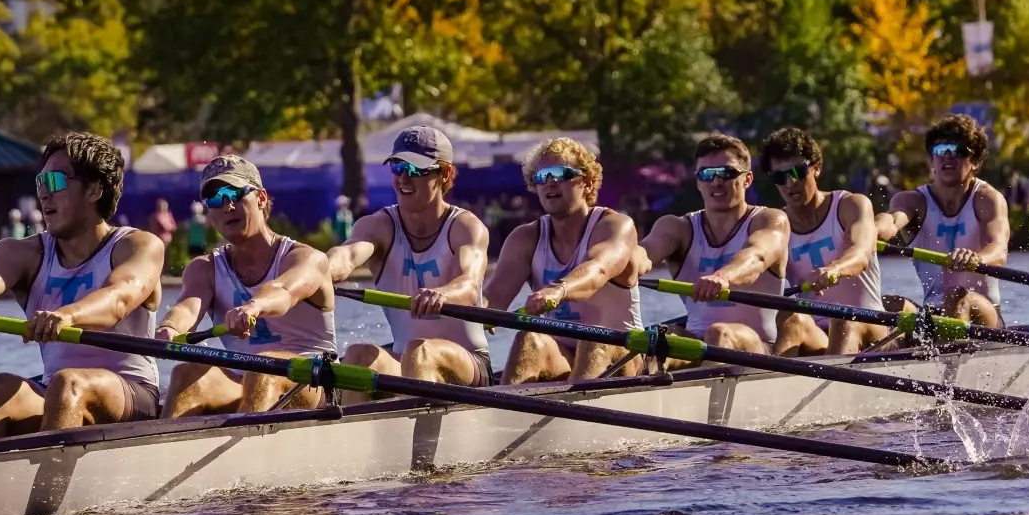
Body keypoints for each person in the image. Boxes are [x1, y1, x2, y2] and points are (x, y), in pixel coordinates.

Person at [0, 131, 166, 439]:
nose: (43, 195)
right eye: (40, 184)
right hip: (57, 390)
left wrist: (68, 315)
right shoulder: (21, 253)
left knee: (70, 382)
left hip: (131, 393)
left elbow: (118, 300)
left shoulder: (138, 246)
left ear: (94, 189)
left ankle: (49, 485)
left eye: (55, 182)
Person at [155, 156, 335, 416]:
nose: (227, 206)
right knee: (186, 374)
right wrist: (168, 328)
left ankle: (245, 450)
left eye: (235, 194)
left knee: (262, 373)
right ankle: (164, 452)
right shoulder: (203, 269)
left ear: (261, 199)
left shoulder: (306, 258)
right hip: (243, 380)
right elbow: (187, 307)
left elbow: (282, 292)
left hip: (313, 381)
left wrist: (253, 306)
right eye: (216, 199)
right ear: (209, 213)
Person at [325, 125, 491, 398]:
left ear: (445, 173)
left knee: (420, 349)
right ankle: (350, 437)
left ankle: (415, 438)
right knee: (357, 356)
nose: (403, 178)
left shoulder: (465, 227)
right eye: (397, 167)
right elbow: (346, 255)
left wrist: (442, 293)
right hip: (406, 361)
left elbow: (469, 284)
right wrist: (318, 274)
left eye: (415, 170)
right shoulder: (377, 226)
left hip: (468, 364)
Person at [481, 136, 642, 383]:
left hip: (622, 355)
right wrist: (463, 309)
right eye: (541, 177)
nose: (549, 183)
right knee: (529, 338)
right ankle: (505, 418)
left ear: (587, 183)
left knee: (594, 338)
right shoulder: (526, 238)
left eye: (559, 174)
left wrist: (559, 290)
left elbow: (597, 270)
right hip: (563, 358)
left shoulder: (615, 226)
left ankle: (574, 414)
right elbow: (494, 297)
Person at [637, 134, 789, 354]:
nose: (716, 181)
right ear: (699, 181)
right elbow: (642, 254)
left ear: (747, 179)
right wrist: (618, 268)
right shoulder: (676, 227)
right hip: (698, 343)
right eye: (707, 174)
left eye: (727, 173)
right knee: (659, 337)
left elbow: (757, 256)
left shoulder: (769, 220)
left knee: (719, 333)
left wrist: (722, 278)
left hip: (759, 348)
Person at [760, 128, 889, 356]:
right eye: (780, 177)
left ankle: (834, 388)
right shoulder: (776, 225)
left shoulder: (851, 205)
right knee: (790, 318)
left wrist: (834, 270)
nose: (790, 183)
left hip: (870, 326)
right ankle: (774, 387)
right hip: (818, 334)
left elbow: (861, 253)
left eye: (797, 172)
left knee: (843, 319)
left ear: (816, 167)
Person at [875, 114, 1010, 327]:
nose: (947, 156)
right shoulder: (912, 201)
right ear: (932, 161)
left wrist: (976, 258)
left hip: (983, 314)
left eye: (958, 151)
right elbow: (891, 222)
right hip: (932, 314)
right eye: (940, 150)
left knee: (956, 294)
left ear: (975, 162)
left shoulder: (987, 199)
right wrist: (870, 231)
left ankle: (944, 357)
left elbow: (999, 249)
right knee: (886, 304)